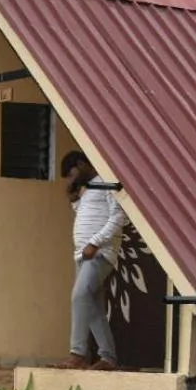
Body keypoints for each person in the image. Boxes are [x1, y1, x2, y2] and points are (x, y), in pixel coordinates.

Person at [60, 151, 127, 370]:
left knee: (79, 296)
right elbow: (87, 214)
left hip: (98, 253)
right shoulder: (88, 188)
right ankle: (108, 357)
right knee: (94, 307)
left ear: (81, 164)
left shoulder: (106, 181)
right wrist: (74, 198)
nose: (71, 180)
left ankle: (77, 352)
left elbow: (118, 216)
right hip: (83, 254)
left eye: (71, 174)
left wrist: (95, 243)